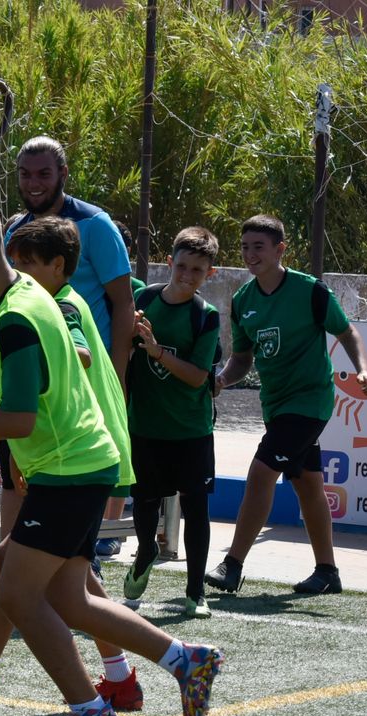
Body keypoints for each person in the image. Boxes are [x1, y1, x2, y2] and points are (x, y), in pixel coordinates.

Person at [0, 198, 224, 716]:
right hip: (77, 464)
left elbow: (17, 418)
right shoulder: (17, 293)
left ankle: (89, 710)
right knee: (70, 599)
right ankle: (185, 660)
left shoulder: (17, 318)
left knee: (17, 592)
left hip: (69, 470)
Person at [208, 215, 367, 595]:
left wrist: (363, 371)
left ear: (280, 249)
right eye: (246, 247)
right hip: (277, 406)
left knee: (261, 473)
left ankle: (231, 565)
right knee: (308, 485)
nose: (251, 254)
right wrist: (221, 378)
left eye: (259, 247)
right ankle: (328, 572)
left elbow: (347, 331)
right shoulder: (242, 301)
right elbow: (242, 359)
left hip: (310, 401)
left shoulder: (310, 291)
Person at [124, 227, 223, 617]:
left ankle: (195, 591)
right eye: (182, 266)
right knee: (144, 501)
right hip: (145, 425)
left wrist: (157, 350)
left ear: (209, 274)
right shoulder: (142, 300)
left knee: (195, 507)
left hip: (191, 430)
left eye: (197, 270)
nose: (187, 275)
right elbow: (122, 351)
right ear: (169, 263)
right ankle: (146, 549)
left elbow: (199, 376)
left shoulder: (206, 316)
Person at [5, 135, 135, 381]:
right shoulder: (14, 233)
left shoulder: (95, 225)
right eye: (25, 174)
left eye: (43, 174)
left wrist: (118, 377)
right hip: (39, 369)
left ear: (63, 173)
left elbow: (124, 302)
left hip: (90, 369)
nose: (33, 183)